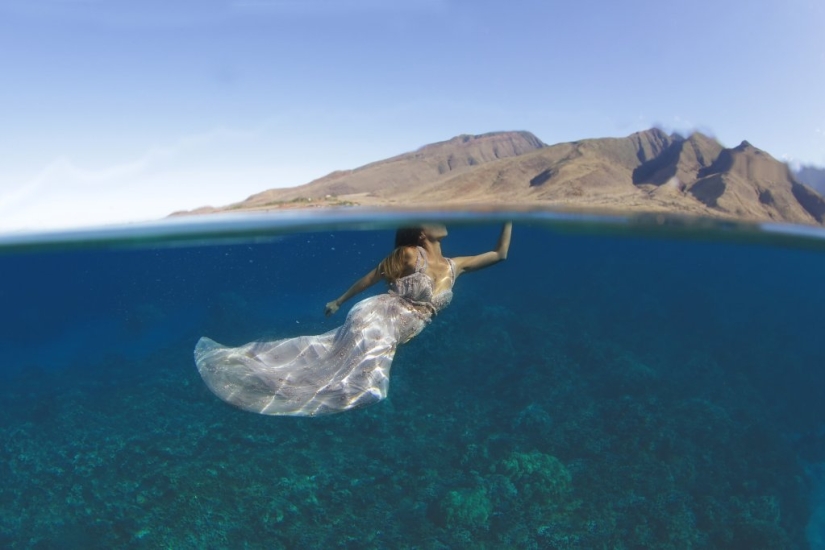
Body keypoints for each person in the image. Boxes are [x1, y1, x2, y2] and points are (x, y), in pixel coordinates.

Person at [194, 222, 512, 417]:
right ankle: (263, 389)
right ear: (421, 231)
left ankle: (263, 382)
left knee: (327, 362)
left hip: (397, 329)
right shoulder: (410, 254)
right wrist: (339, 300)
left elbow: (500, 255)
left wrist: (508, 214)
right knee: (366, 387)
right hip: (378, 318)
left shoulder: (457, 265)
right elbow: (372, 277)